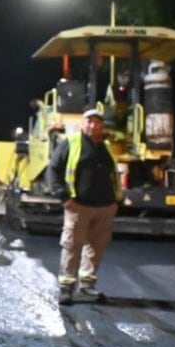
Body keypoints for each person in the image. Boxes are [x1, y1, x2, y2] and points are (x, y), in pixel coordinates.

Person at [47, 107, 122, 305]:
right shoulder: (70, 143)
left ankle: (87, 286)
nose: (92, 125)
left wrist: (116, 201)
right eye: (89, 121)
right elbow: (53, 170)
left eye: (97, 122)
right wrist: (63, 197)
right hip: (78, 206)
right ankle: (66, 288)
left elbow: (114, 175)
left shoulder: (106, 147)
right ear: (82, 124)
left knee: (95, 248)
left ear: (101, 126)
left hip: (104, 207)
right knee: (72, 246)